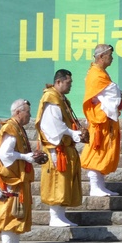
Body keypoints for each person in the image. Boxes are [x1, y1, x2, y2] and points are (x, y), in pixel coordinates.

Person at [35, 69, 84, 226]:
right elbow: (53, 124)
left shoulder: (62, 99)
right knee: (58, 180)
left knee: (66, 181)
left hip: (66, 146)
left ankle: (61, 215)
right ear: (58, 82)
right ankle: (54, 217)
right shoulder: (51, 98)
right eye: (68, 83)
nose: (70, 86)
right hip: (57, 148)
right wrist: (72, 132)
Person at [81, 44, 122, 196]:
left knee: (105, 151)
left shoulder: (101, 73)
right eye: (110, 55)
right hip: (98, 121)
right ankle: (94, 186)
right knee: (97, 150)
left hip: (105, 120)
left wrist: (117, 94)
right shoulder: (95, 74)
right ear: (101, 57)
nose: (112, 58)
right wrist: (118, 94)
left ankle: (100, 185)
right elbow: (112, 91)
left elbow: (112, 92)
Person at [0, 99, 37, 243]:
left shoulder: (17, 128)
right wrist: (25, 157)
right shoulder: (10, 128)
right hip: (11, 178)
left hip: (19, 177)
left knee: (18, 211)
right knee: (9, 210)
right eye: (28, 112)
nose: (30, 115)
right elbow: (4, 154)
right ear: (18, 112)